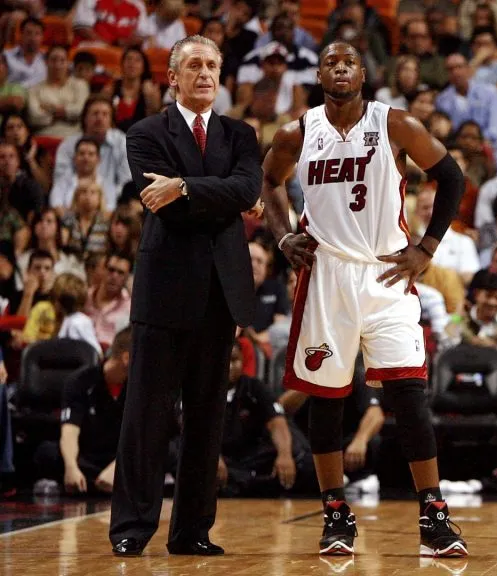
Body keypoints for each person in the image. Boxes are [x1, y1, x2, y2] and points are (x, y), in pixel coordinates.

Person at [261, 41, 467, 557]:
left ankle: (434, 513)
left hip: (387, 273)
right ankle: (335, 513)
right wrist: (281, 234)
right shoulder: (297, 131)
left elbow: (452, 177)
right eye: (331, 61)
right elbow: (267, 182)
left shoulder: (393, 124)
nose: (340, 68)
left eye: (349, 60)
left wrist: (428, 247)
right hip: (326, 274)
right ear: (319, 73)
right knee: (326, 399)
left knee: (408, 396)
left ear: (362, 72)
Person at [110, 35, 264, 558]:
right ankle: (131, 527)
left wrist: (186, 187)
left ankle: (192, 530)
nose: (205, 73)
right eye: (194, 65)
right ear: (173, 76)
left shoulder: (241, 133)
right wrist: (207, 195)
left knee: (206, 417)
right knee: (147, 415)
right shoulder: (146, 132)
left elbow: (247, 189)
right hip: (164, 291)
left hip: (222, 293)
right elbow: (164, 206)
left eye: (213, 65)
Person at [33, 328, 133, 495]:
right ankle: (87, 481)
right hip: (89, 455)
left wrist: (119, 468)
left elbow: (143, 436)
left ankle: (101, 482)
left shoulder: (142, 388)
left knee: (167, 450)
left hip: (122, 458)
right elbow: (69, 432)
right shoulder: (80, 381)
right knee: (47, 452)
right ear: (126, 358)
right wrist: (71, 466)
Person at [217, 342, 314, 497]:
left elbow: (277, 421)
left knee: (302, 458)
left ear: (242, 361)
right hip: (216, 455)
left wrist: (284, 455)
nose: (229, 366)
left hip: (249, 456)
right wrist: (212, 457)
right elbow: (190, 430)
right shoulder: (202, 389)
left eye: (234, 360)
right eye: (225, 361)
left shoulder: (254, 387)